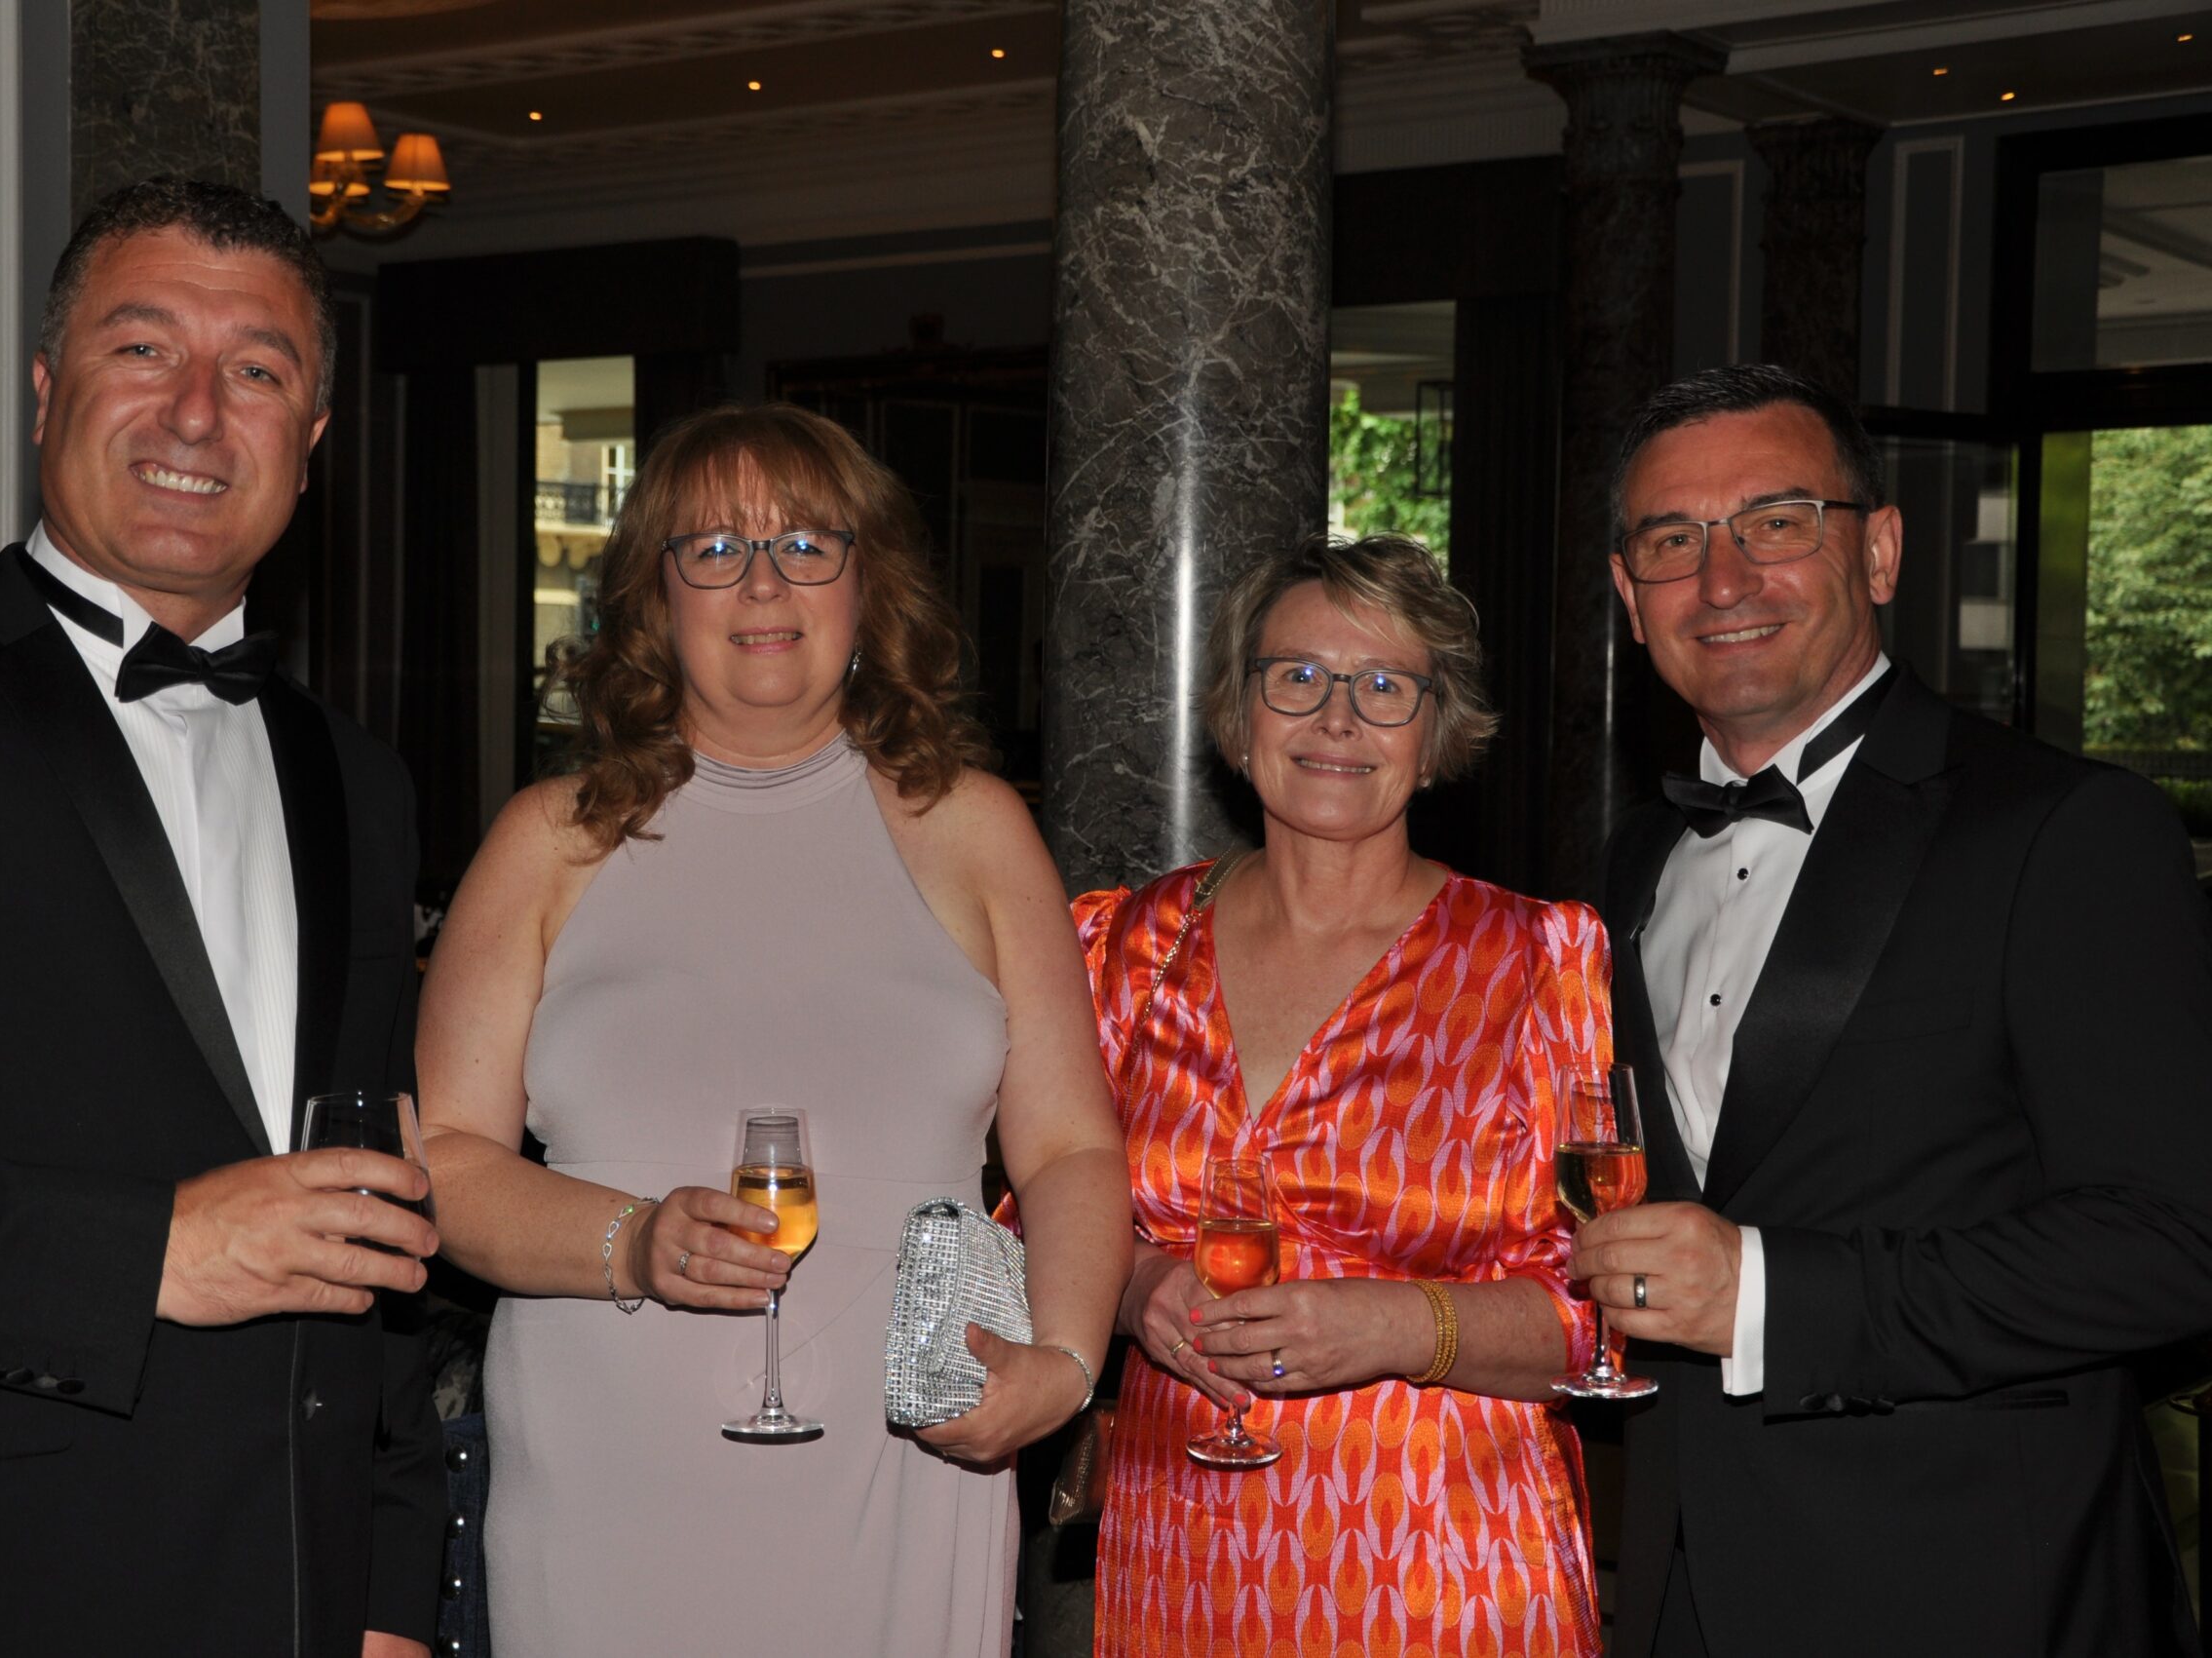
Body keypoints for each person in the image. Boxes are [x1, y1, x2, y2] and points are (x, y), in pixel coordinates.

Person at [0, 177, 443, 1656]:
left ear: (311, 441)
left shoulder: (358, 782)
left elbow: (376, 1198)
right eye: (143, 348)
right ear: (48, 390)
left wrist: (385, 1580)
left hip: (293, 1596)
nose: (196, 413)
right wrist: (148, 1252)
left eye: (256, 371)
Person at [414, 403, 1131, 1657]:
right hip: (608, 1486)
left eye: (806, 544)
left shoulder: (975, 829)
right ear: (654, 597)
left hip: (907, 1472)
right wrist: (632, 1242)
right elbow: (445, 1162)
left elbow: (1070, 1147)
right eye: (714, 548)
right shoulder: (547, 841)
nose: (762, 583)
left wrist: (1064, 1361)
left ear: (867, 585)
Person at [1578, 363, 2212, 1657]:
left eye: (1776, 522)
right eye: (1673, 540)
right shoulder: (1625, 862)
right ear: (1629, 597)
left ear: (1877, 551)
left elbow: (2174, 1244)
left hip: (1974, 1591)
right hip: (1678, 1589)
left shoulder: (2065, 829)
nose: (1723, 579)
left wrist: (1770, 1294)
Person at [1083, 533, 1610, 1656]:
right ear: (1239, 714)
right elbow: (1040, 1221)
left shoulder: (1535, 960)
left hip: (1448, 1574)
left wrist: (1398, 1325)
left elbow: (1601, 1320)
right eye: (1298, 677)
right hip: (1182, 1555)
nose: (1336, 718)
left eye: (1383, 687)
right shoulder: (1124, 948)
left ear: (1435, 729)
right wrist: (1134, 1289)